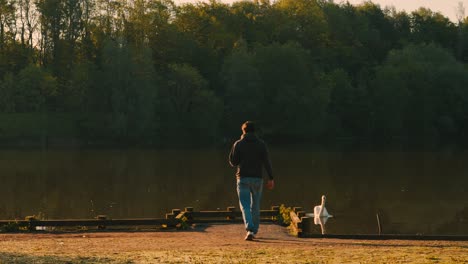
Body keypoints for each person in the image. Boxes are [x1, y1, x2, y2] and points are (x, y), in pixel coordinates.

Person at [229, 121, 274, 241]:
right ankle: (253, 231)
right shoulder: (261, 144)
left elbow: (233, 162)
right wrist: (271, 178)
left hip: (242, 178)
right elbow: (266, 162)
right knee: (255, 205)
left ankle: (249, 229)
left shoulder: (238, 144)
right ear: (254, 131)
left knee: (245, 205)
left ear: (243, 131)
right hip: (257, 178)